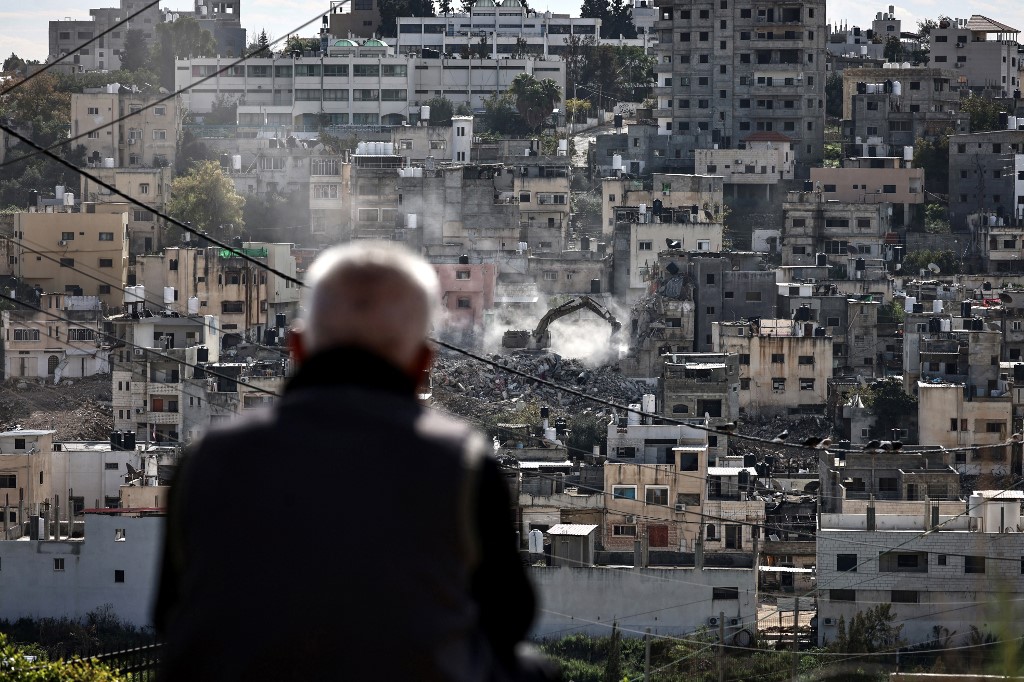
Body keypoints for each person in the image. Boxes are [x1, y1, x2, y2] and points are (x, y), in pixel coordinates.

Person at [154, 241, 558, 681]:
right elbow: (509, 616)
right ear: (423, 363)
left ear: (297, 347)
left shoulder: (209, 459)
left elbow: (170, 614)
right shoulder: (461, 463)